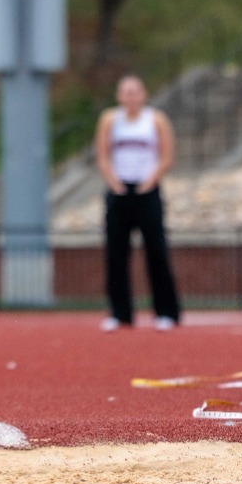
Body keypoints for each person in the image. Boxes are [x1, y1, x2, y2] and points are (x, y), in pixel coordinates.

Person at [94, 75, 181, 331]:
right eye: (125, 92)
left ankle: (166, 312)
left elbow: (167, 156)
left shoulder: (155, 119)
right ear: (119, 96)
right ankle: (120, 313)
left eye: (135, 92)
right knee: (116, 253)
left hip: (148, 190)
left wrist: (150, 181)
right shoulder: (110, 119)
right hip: (119, 190)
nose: (130, 97)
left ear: (144, 94)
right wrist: (114, 183)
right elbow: (102, 155)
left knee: (156, 251)